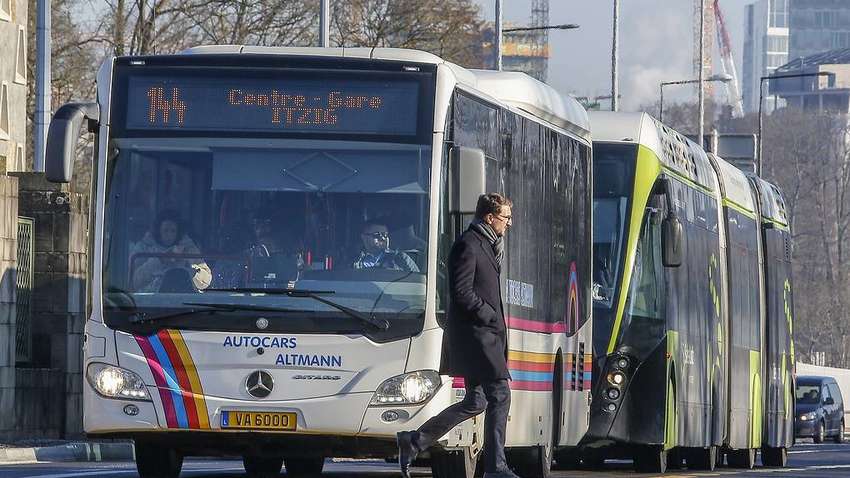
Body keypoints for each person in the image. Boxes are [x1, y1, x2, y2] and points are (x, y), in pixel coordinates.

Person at [397, 193, 517, 478]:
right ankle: (496, 467)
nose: (508, 224)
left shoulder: (486, 244)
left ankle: (414, 441)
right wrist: (488, 314)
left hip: (485, 336)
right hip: (477, 338)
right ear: (490, 217)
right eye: (506, 218)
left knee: (476, 401)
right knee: (500, 395)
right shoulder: (468, 245)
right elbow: (461, 293)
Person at [130, 210, 211, 292]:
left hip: (186, 300)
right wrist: (160, 260)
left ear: (178, 232)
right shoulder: (144, 248)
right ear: (158, 231)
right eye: (166, 230)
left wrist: (190, 266)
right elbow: (133, 282)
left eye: (173, 231)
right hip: (151, 301)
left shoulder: (189, 249)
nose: (169, 235)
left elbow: (206, 283)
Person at [352, 220, 419, 272]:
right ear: (364, 237)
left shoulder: (401, 258)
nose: (383, 238)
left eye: (385, 235)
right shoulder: (350, 258)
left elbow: (416, 281)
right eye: (377, 235)